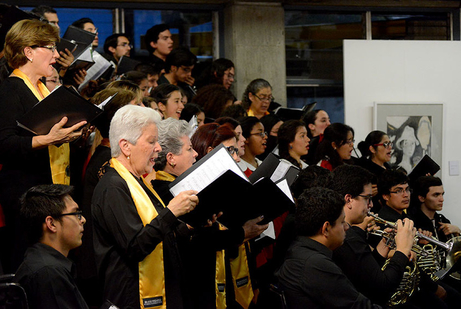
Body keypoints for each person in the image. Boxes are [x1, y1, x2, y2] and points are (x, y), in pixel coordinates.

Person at [0, 19, 86, 273]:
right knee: (28, 264)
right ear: (28, 52)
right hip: (24, 196)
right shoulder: (9, 90)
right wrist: (49, 139)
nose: (56, 55)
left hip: (47, 190)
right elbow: (4, 145)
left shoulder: (41, 89)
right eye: (50, 47)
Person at [92, 105, 198, 308]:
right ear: (125, 146)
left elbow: (161, 235)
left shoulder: (138, 182)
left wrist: (194, 224)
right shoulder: (113, 186)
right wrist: (172, 212)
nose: (158, 148)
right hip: (133, 298)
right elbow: (135, 246)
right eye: (151, 141)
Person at [276, 187, 380, 309]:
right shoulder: (316, 264)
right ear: (326, 228)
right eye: (342, 222)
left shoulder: (298, 249)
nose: (347, 227)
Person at [331, 165, 415, 307]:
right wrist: (402, 250)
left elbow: (365, 274)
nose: (371, 205)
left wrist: (383, 247)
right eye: (367, 198)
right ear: (349, 199)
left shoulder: (348, 234)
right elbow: (382, 289)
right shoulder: (348, 237)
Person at [15, 184, 88, 309]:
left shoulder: (45, 264)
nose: (83, 220)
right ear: (51, 223)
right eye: (75, 213)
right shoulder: (48, 273)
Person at [409, 176, 460, 243]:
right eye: (436, 195)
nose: (442, 199)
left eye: (442, 194)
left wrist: (458, 232)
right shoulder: (412, 223)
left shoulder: (442, 220)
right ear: (421, 198)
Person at [357, 130, 393, 212]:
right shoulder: (367, 172)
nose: (390, 147)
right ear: (372, 149)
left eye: (390, 144)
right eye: (385, 144)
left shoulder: (389, 168)